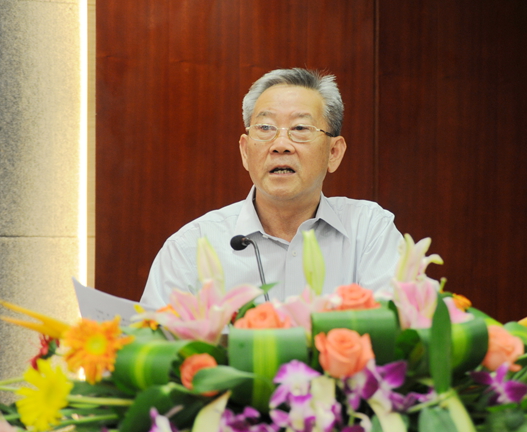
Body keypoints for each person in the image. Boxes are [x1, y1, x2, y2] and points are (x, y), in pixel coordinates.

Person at [140, 68, 403, 308]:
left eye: (300, 128)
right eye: (265, 128)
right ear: (245, 151)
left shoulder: (368, 231)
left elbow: (397, 329)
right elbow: (155, 339)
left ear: (333, 153)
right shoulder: (191, 248)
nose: (281, 145)